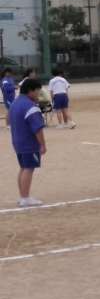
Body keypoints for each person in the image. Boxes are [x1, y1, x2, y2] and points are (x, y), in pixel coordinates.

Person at [9, 78, 46, 207]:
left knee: (23, 168)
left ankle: (23, 196)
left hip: (17, 141)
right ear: (30, 90)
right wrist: (42, 145)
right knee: (29, 169)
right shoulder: (31, 107)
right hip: (29, 143)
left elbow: (8, 120)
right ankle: (25, 198)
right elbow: (38, 129)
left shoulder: (15, 103)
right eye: (37, 91)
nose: (38, 94)